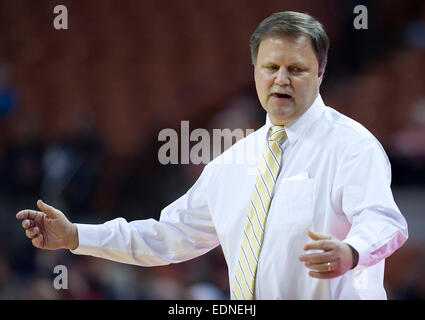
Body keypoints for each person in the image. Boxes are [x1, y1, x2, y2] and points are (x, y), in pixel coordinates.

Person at [16, 11, 408, 300]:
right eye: (270, 67)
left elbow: (384, 221)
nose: (281, 79)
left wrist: (352, 251)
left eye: (297, 69)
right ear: (255, 71)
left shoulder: (352, 145)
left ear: (321, 74)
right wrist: (75, 235)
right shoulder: (231, 162)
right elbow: (169, 236)